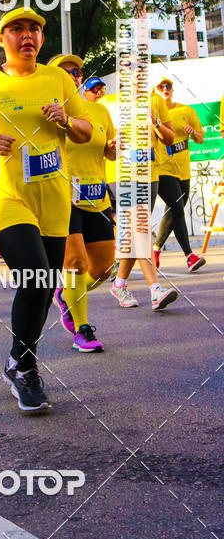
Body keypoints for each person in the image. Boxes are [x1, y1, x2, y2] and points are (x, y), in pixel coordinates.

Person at [0, 8, 91, 412]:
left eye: (34, 29)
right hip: (4, 195)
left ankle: (16, 361)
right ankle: (27, 372)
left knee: (44, 288)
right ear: (1, 39)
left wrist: (66, 120)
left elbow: (85, 131)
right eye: (17, 29)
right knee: (35, 277)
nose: (27, 35)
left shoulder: (58, 79)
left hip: (54, 198)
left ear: (41, 40)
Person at [49, 64, 116, 352]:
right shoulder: (45, 109)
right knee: (76, 263)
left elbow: (107, 151)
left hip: (96, 193)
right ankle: (83, 328)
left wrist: (113, 149)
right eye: (65, 71)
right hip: (62, 193)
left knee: (103, 269)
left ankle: (66, 297)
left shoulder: (98, 111)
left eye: (76, 71)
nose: (73, 75)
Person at [111, 82, 177, 309]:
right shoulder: (111, 103)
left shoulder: (155, 100)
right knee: (141, 229)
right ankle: (155, 290)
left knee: (134, 233)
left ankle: (119, 283)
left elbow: (170, 138)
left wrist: (156, 122)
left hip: (151, 175)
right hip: (123, 175)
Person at [152, 77, 205, 272]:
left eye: (168, 86)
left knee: (175, 208)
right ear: (155, 91)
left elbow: (200, 138)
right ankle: (189, 256)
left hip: (183, 168)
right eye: (161, 87)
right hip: (162, 167)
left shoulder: (186, 111)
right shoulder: (152, 112)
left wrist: (193, 133)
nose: (165, 89)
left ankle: (155, 250)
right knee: (176, 206)